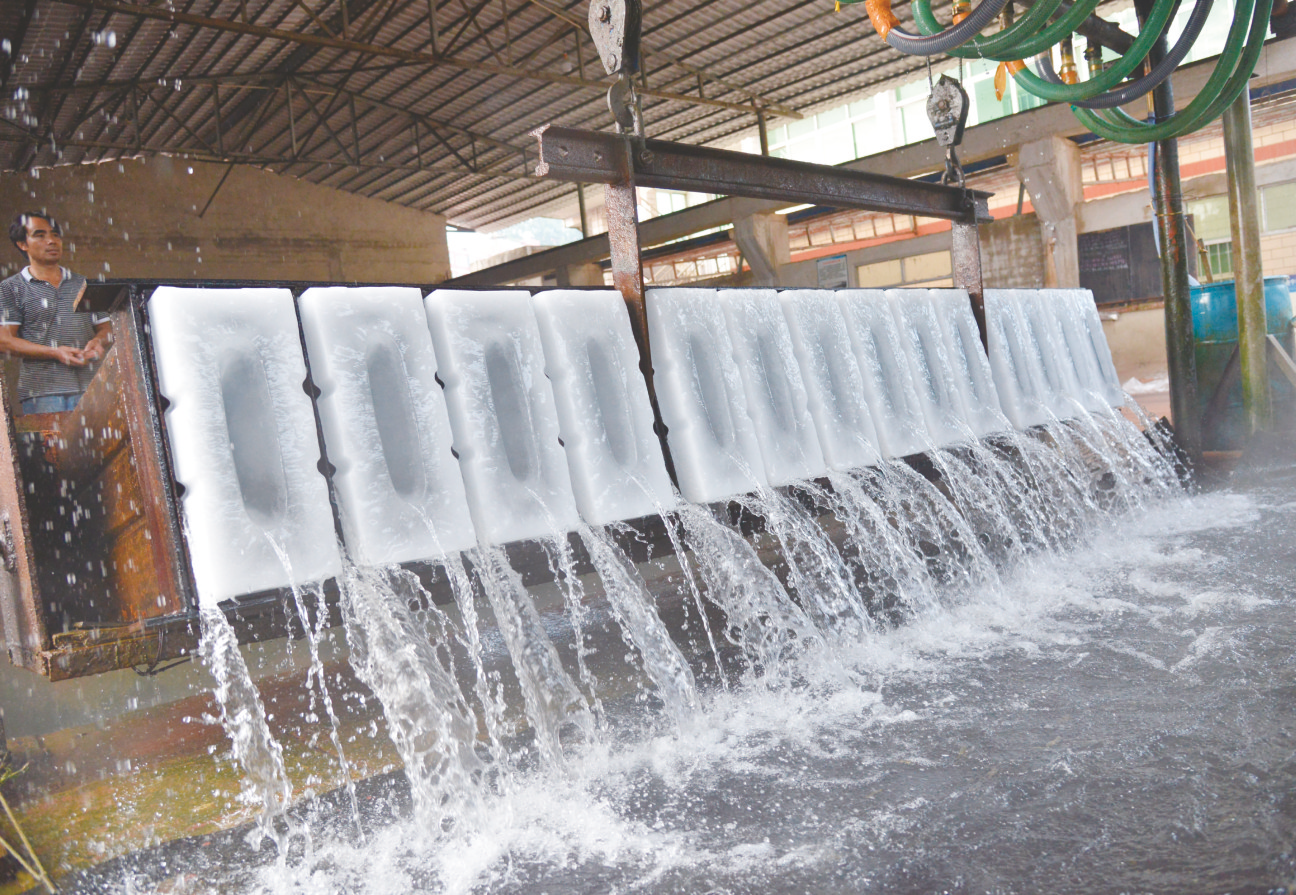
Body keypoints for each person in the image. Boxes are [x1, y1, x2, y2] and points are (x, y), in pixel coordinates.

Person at [0, 211, 111, 414]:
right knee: (52, 446)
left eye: (55, 235)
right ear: (22, 244)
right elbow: (4, 340)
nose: (51, 241)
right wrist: (54, 352)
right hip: (43, 393)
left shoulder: (83, 283)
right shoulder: (10, 288)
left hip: (93, 387)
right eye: (40, 235)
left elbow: (107, 328)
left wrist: (98, 342)